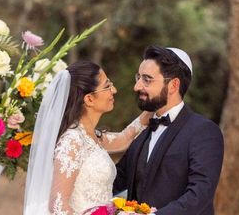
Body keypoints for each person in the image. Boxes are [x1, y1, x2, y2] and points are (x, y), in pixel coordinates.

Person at [24, 60, 151, 215]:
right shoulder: (72, 141)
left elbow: (125, 137)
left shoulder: (92, 137)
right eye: (107, 86)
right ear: (89, 99)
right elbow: (57, 204)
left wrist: (153, 107)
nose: (114, 90)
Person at [113, 46, 224, 215]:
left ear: (173, 85)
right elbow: (115, 181)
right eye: (138, 77)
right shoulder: (140, 131)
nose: (137, 86)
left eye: (147, 79)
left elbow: (200, 194)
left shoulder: (204, 131)